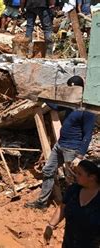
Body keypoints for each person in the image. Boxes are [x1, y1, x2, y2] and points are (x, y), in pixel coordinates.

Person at [25, 79, 96, 209]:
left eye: (71, 89)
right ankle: (42, 203)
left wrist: (79, 156)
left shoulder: (88, 111)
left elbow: (88, 135)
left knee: (73, 180)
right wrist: (41, 97)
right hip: (60, 145)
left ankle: (74, 208)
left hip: (72, 150)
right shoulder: (71, 103)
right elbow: (56, 107)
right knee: (48, 170)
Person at [43, 160, 100, 248]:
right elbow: (62, 208)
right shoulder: (73, 190)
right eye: (76, 173)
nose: (76, 176)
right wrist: (50, 225)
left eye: (79, 174)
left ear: (92, 177)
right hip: (68, 243)